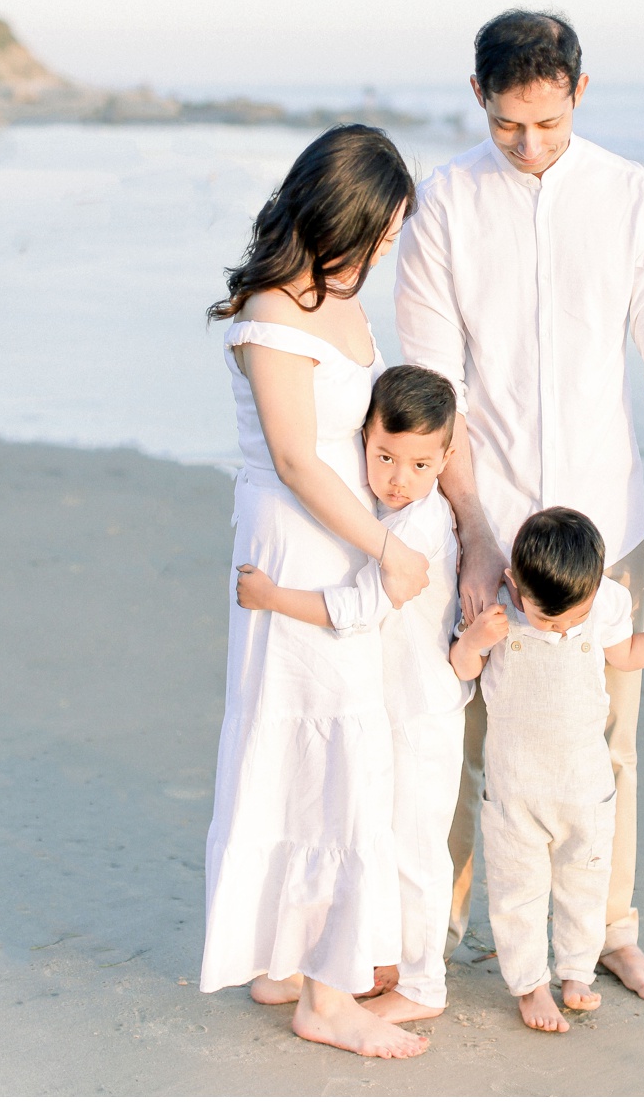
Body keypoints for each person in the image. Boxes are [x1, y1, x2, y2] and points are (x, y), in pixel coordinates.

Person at [395, 9, 644, 1002]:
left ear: (579, 89)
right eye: (506, 126)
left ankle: (607, 928)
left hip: (599, 529)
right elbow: (431, 388)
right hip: (476, 516)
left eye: (546, 122)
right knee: (459, 728)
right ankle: (433, 927)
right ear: (480, 101)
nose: (528, 147)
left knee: (602, 738)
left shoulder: (630, 197)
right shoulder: (445, 202)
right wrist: (477, 531)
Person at [199, 125, 432, 1061]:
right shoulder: (272, 311)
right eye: (379, 233)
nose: (385, 252)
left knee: (320, 753)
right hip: (302, 545)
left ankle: (286, 957)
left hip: (341, 544)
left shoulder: (340, 299)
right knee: (322, 753)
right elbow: (298, 457)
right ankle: (329, 998)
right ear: (341, 215)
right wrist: (386, 549)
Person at [238, 364, 471, 1024]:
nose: (399, 475)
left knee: (417, 847)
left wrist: (274, 598)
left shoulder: (423, 525)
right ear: (365, 439)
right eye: (385, 455)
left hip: (422, 707)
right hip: (386, 705)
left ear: (446, 459)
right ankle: (379, 960)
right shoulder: (383, 508)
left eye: (421, 462)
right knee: (379, 835)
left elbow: (365, 605)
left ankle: (424, 983)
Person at [451, 507, 644, 1033]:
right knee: (517, 894)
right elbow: (462, 669)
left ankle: (577, 972)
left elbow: (628, 655)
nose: (560, 628)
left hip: (584, 789)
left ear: (595, 587)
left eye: (574, 616)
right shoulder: (499, 610)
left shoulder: (603, 605)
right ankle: (529, 985)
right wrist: (475, 641)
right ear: (514, 582)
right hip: (515, 796)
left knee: (585, 883)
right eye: (547, 620)